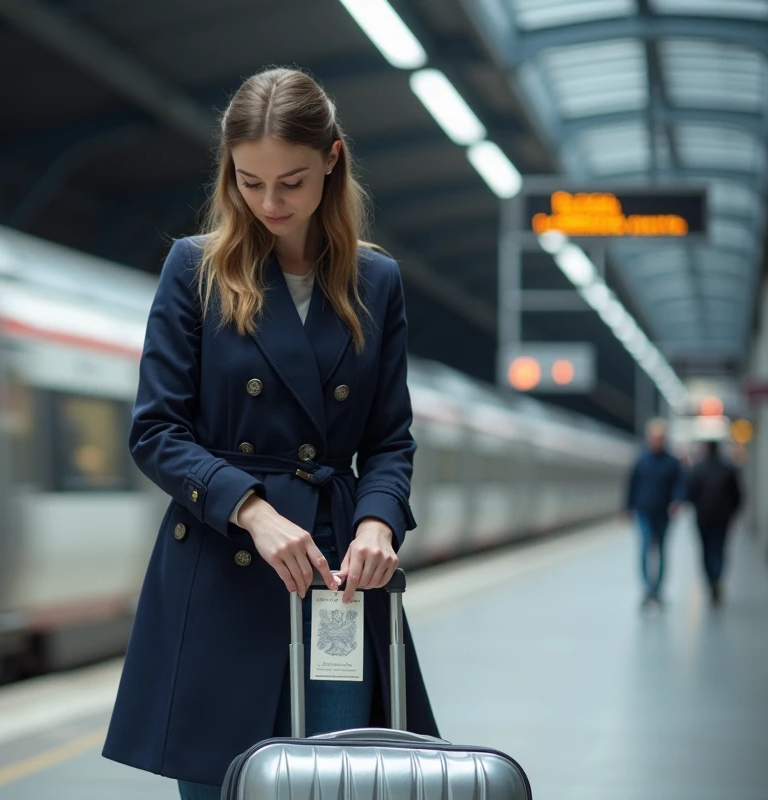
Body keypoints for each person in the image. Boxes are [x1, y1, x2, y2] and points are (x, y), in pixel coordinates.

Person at [101, 67, 440, 798]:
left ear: (332, 159)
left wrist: (377, 523)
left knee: (332, 778)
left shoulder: (376, 282)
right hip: (222, 563)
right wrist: (253, 511)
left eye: (291, 182)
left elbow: (389, 439)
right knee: (220, 781)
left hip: (334, 578)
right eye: (249, 182)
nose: (269, 203)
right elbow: (156, 430)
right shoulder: (194, 269)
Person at [624, 418, 687, 608]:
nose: (656, 441)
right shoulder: (641, 460)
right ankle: (647, 589)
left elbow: (680, 485)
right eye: (654, 437)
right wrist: (627, 507)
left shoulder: (672, 462)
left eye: (660, 438)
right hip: (643, 511)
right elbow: (632, 484)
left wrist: (677, 501)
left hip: (663, 513)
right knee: (645, 548)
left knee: (661, 550)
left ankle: (657, 589)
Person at [686, 439, 742, 605]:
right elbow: (737, 495)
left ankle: (710, 580)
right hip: (723, 517)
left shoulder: (697, 469)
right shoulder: (729, 468)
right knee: (719, 549)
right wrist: (732, 513)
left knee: (705, 549)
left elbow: (690, 494)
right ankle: (717, 579)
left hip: (703, 517)